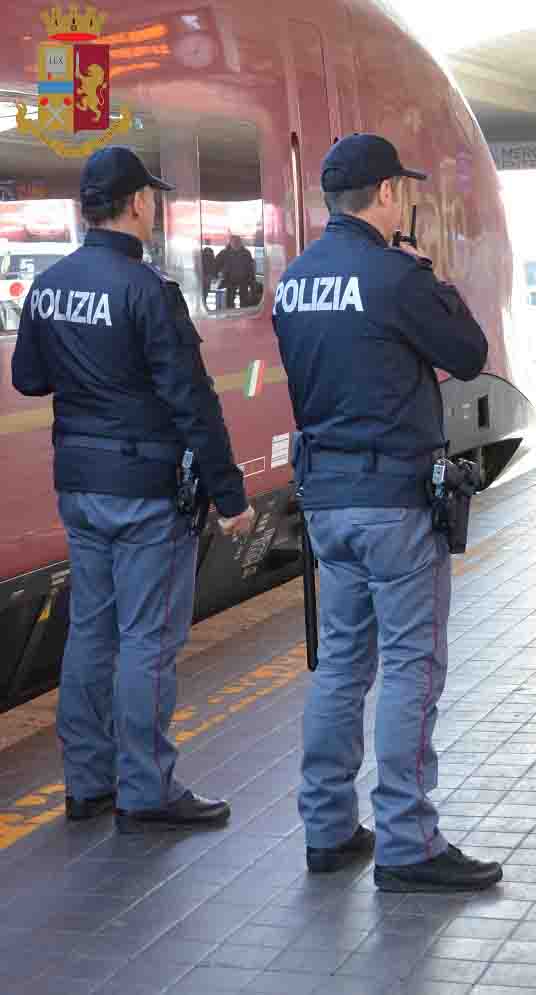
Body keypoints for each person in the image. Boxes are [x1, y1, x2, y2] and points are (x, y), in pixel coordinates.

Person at [272, 133, 502, 892]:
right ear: (385, 195)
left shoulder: (295, 280)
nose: (406, 196)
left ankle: (329, 827)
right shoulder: (397, 275)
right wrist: (426, 275)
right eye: (401, 187)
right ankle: (407, 838)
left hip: (326, 506)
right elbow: (468, 352)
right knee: (411, 664)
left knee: (341, 666)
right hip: (394, 506)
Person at [10, 147, 256, 833]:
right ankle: (145, 789)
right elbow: (192, 400)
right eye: (152, 197)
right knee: (147, 638)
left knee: (91, 631)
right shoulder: (147, 291)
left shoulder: (51, 285)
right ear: (137, 204)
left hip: (80, 486)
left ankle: (87, 782)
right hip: (146, 492)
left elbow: (29, 379)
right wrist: (230, 494)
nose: (156, 206)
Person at [214, 234, 255, 310]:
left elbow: (251, 268)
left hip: (244, 280)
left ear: (240, 242)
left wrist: (252, 282)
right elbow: (215, 264)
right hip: (229, 280)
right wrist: (217, 274)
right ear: (230, 242)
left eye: (238, 242)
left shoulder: (246, 253)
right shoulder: (224, 253)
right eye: (234, 242)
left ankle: (244, 315)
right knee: (229, 301)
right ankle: (231, 316)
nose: (236, 243)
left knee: (244, 302)